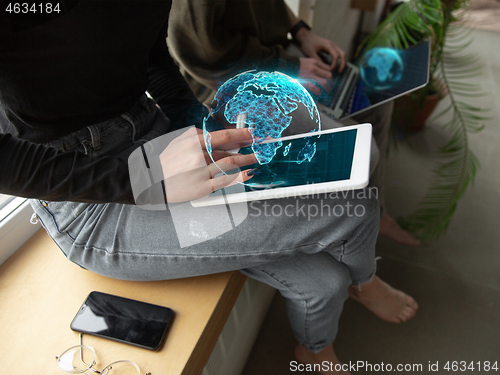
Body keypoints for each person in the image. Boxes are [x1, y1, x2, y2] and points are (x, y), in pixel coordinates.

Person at [0, 1, 416, 374]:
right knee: (353, 210)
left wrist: (197, 122)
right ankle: (364, 282)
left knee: (324, 279)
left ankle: (315, 347)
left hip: (157, 131)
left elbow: (148, 51)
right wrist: (143, 180)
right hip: (89, 197)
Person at [167, 0, 421, 246]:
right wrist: (287, 65)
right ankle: (352, 255)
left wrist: (301, 31)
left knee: (379, 99)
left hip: (274, 53)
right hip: (229, 85)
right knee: (363, 153)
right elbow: (201, 51)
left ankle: (377, 211)